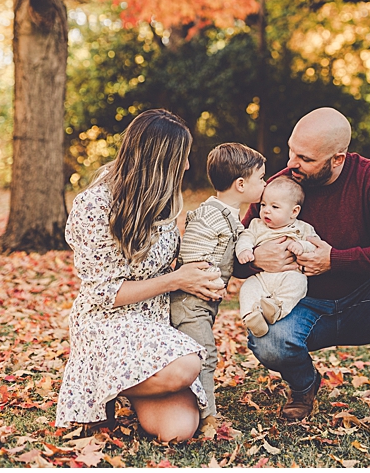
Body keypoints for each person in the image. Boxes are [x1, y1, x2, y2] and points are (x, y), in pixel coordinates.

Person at [233, 107, 370, 444]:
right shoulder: (280, 187)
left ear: (337, 158)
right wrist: (257, 258)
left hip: (367, 302)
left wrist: (335, 260)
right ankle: (304, 386)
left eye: (305, 158)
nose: (291, 163)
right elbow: (237, 254)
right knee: (268, 342)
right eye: (291, 151)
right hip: (301, 305)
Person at [55, 109, 228, 442]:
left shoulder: (163, 202)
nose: (189, 166)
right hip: (107, 323)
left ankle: (128, 386)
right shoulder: (95, 205)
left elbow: (171, 263)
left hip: (153, 322)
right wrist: (177, 279)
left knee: (177, 431)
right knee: (187, 365)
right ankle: (99, 387)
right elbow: (104, 293)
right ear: (159, 161)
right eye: (184, 158)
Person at [170, 142, 261, 430]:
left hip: (205, 305)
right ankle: (208, 419)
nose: (265, 184)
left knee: (199, 354)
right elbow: (193, 254)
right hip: (189, 304)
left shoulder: (230, 216)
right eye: (262, 178)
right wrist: (209, 280)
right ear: (241, 184)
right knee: (204, 355)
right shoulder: (210, 215)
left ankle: (190, 405)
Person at [234, 176, 318, 337]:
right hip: (262, 277)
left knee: (298, 284)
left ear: (294, 212)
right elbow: (245, 237)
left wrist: (302, 246)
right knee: (248, 288)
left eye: (275, 207)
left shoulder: (303, 228)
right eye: (263, 205)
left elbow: (315, 244)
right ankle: (251, 317)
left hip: (289, 274)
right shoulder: (256, 225)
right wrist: (244, 250)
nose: (266, 210)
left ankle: (276, 309)